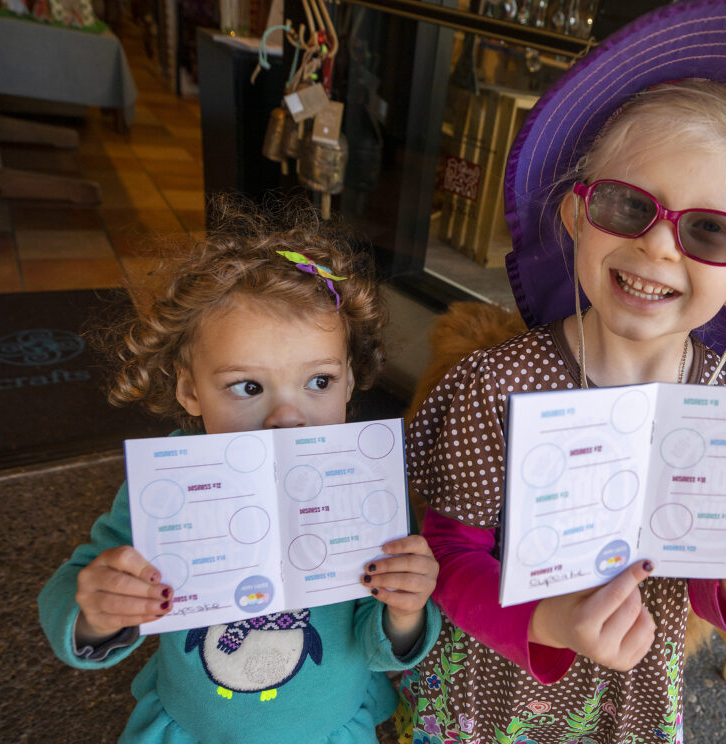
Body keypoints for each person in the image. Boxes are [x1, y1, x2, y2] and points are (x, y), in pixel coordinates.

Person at [399, 1, 726, 742]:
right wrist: (548, 621)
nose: (660, 248)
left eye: (709, 230)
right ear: (575, 216)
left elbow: (721, 589)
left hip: (628, 703)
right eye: (629, 205)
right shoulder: (494, 386)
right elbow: (450, 555)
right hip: (493, 693)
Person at [38, 203, 441, 743]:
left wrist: (406, 608)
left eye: (318, 382)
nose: (287, 417)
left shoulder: (364, 486)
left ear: (349, 382)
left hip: (328, 728)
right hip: (195, 729)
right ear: (189, 389)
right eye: (248, 386)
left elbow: (377, 642)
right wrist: (99, 611)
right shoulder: (168, 486)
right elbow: (78, 582)